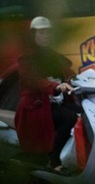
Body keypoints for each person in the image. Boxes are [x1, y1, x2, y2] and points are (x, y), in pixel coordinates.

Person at [14, 16, 82, 175]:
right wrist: (56, 86)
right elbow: (33, 80)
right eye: (41, 32)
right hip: (37, 106)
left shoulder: (54, 56)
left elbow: (69, 73)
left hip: (56, 102)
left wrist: (79, 79)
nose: (46, 35)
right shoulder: (27, 59)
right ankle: (54, 161)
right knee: (69, 118)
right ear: (33, 35)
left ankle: (76, 157)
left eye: (48, 32)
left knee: (84, 113)